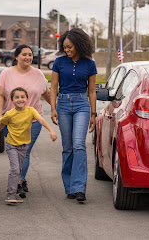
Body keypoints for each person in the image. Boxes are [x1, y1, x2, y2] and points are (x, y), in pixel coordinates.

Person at [0, 45, 51, 195]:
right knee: (19, 152)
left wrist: (55, 109)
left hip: (32, 121)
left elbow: (47, 94)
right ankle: (21, 177)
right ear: (16, 56)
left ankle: (19, 181)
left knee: (25, 151)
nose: (28, 57)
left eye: (30, 55)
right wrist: (0, 115)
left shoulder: (38, 74)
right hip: (11, 121)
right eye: (24, 54)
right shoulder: (6, 74)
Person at [50, 28, 97, 202]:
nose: (67, 50)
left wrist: (93, 113)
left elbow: (91, 91)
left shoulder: (90, 64)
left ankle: (79, 188)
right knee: (68, 148)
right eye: (65, 47)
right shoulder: (59, 62)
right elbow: (53, 88)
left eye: (70, 47)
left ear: (79, 44)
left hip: (81, 105)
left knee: (79, 145)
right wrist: (53, 108)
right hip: (62, 105)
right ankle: (69, 186)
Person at [0, 87, 57, 204]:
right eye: (17, 97)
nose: (20, 99)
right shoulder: (10, 114)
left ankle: (14, 193)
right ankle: (10, 194)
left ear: (27, 99)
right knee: (15, 169)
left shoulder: (31, 111)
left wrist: (51, 130)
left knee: (18, 170)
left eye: (22, 97)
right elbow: (1, 125)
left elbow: (41, 120)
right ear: (12, 100)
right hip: (12, 145)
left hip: (23, 146)